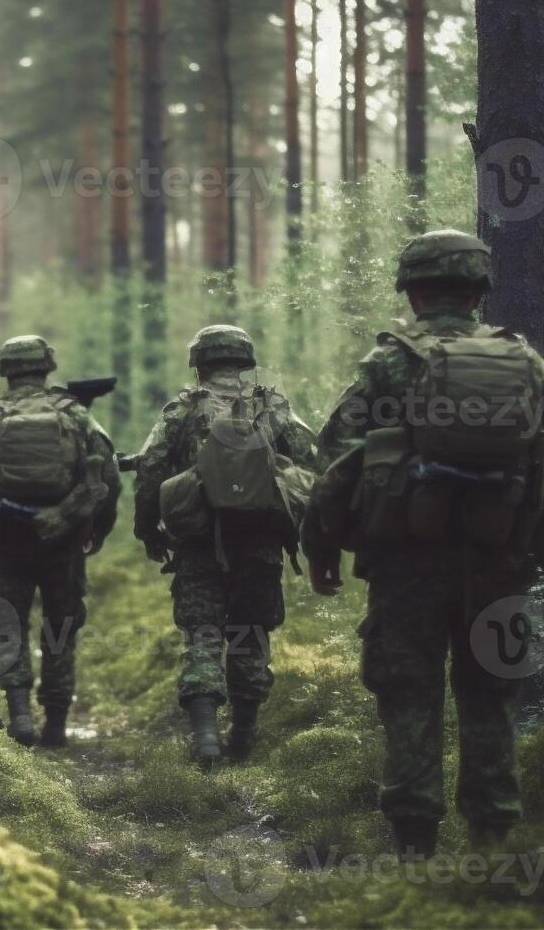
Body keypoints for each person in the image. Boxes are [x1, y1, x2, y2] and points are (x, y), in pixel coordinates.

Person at [301, 230, 544, 856]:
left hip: (405, 562)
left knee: (409, 694)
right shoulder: (524, 361)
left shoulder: (388, 363)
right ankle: (491, 836)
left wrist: (324, 544)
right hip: (502, 560)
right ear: (479, 289)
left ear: (410, 288)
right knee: (490, 695)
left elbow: (335, 459)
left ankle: (415, 841)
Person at [131, 325, 318, 763]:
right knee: (251, 635)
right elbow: (313, 464)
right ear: (245, 361)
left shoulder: (181, 410)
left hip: (196, 542)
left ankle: (206, 740)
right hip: (261, 543)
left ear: (199, 363)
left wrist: (148, 530)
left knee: (203, 635)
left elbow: (150, 469)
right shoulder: (273, 406)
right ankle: (244, 739)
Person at [0, 335, 120, 747]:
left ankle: (21, 714)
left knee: (10, 623)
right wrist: (95, 529)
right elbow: (108, 479)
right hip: (65, 541)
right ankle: (57, 722)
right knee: (60, 626)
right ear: (46, 367)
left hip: (7, 539)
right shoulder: (75, 415)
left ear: (5, 370)